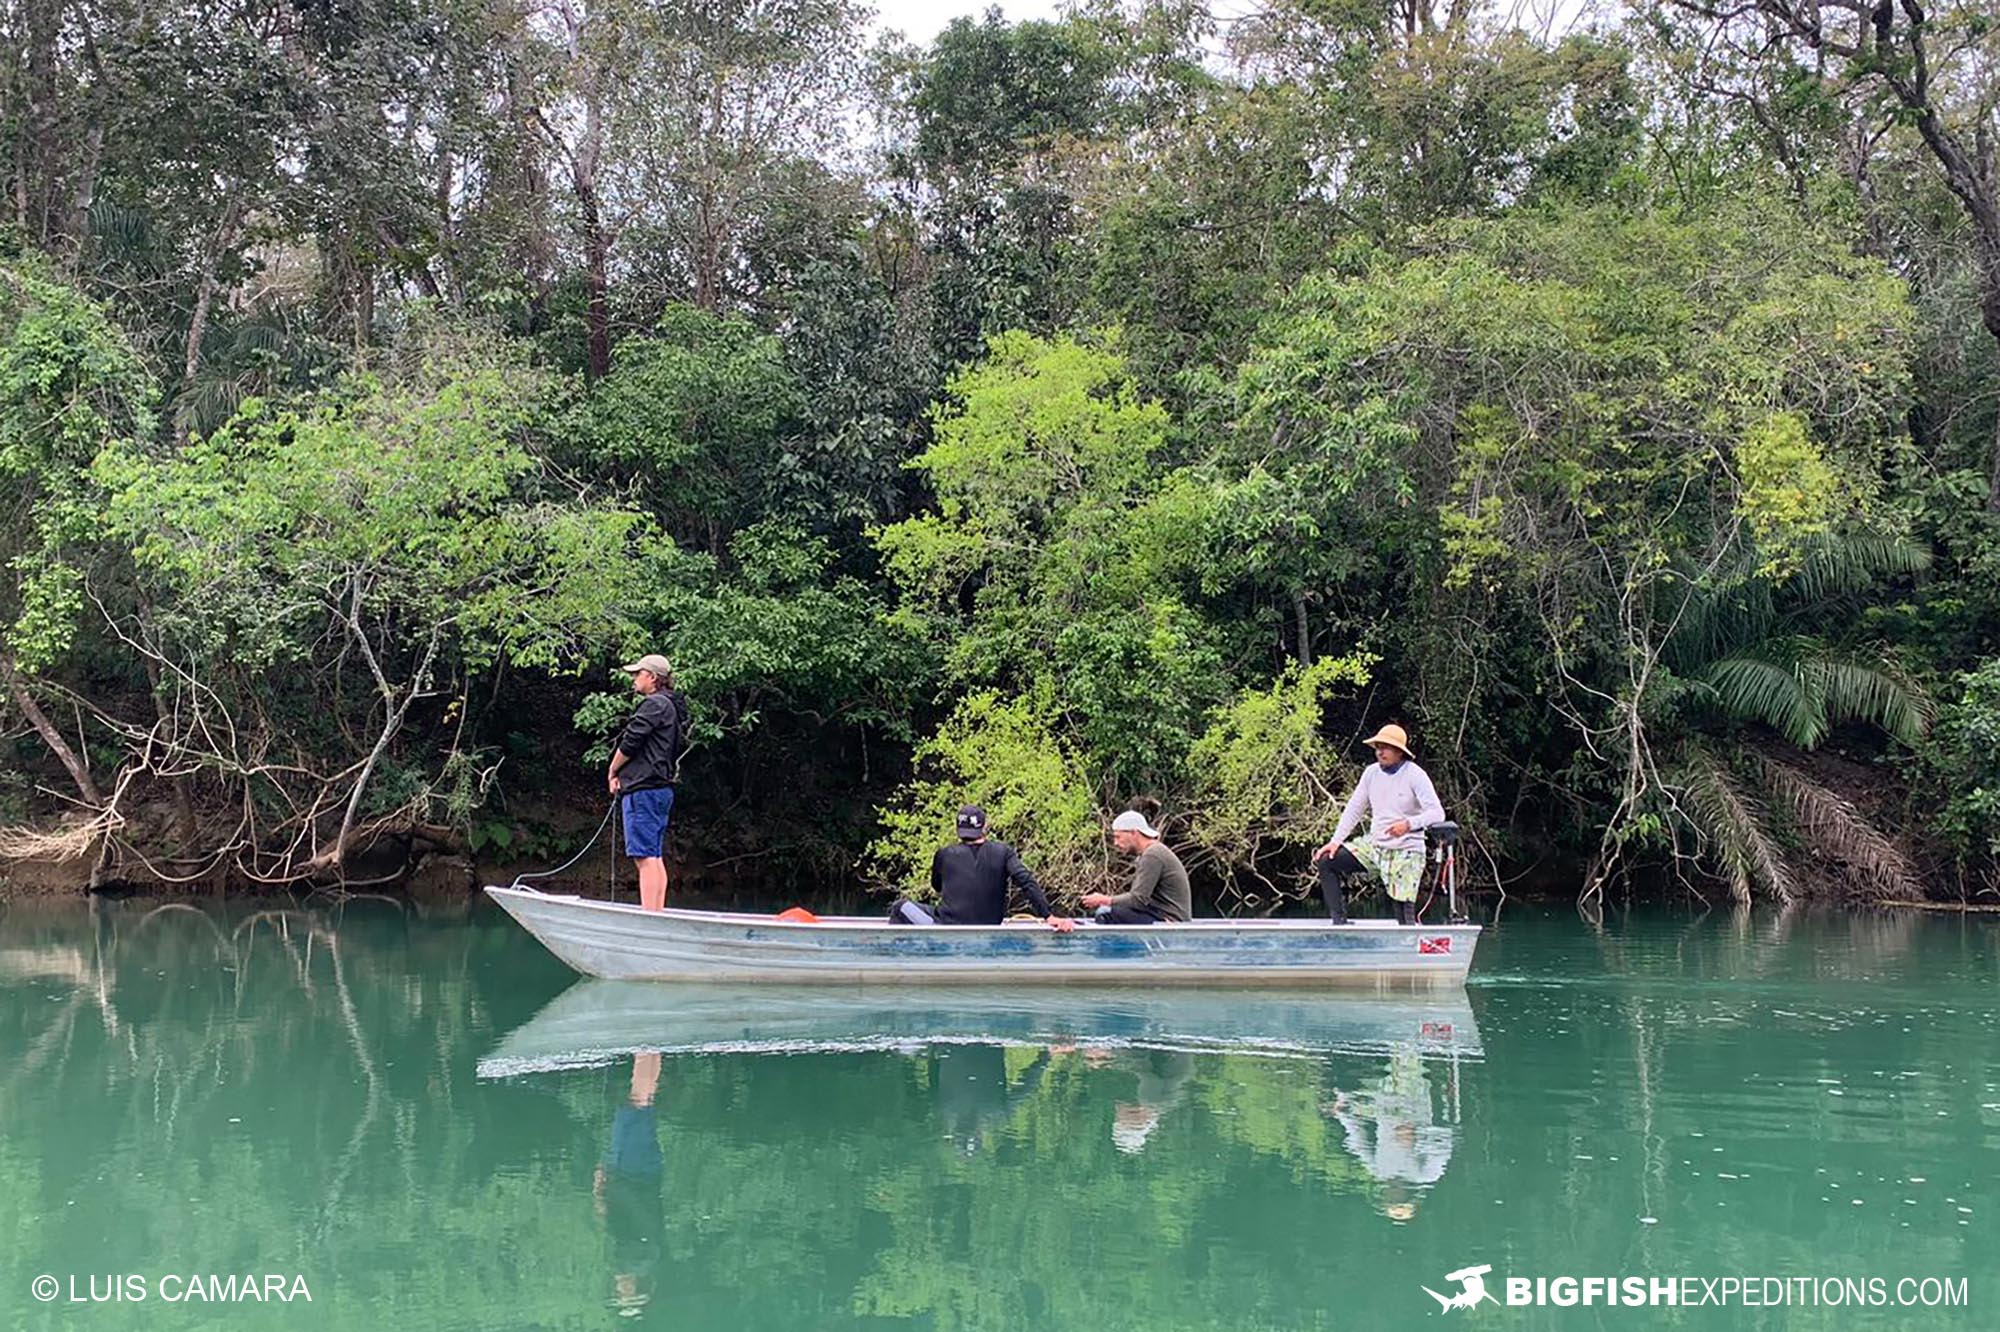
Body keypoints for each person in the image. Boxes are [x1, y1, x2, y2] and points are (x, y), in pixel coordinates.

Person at [1313, 724, 1444, 925]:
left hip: (1406, 850)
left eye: (1386, 747)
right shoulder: (1371, 773)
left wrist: (1408, 824)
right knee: (1326, 860)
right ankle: (1339, 924)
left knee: (1402, 912)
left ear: (1399, 752)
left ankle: (1408, 942)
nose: (1380, 752)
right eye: (1378, 747)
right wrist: (1335, 841)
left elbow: (1437, 813)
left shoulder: (1415, 775)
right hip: (1375, 846)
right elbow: (1355, 808)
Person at [890, 804, 1075, 930]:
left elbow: (937, 887)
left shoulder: (944, 854)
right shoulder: (1004, 852)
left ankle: (905, 957)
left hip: (948, 928)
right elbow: (1026, 880)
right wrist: (1048, 916)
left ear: (957, 829)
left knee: (900, 906)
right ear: (984, 827)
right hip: (989, 927)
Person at [607, 654, 688, 912]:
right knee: (654, 855)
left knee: (644, 857)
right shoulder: (672, 706)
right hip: (661, 790)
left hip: (644, 790)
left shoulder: (654, 705)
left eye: (638, 673)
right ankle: (657, 912)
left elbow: (631, 741)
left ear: (652, 677)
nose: (634, 678)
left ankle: (649, 916)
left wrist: (612, 769)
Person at [594, 1051, 665, 1316]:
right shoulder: (637, 1260)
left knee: (642, 1106)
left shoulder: (643, 1258)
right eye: (625, 1294)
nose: (620, 1290)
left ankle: (649, 1053)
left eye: (620, 1295)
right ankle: (645, 1052)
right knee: (638, 1105)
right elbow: (636, 1211)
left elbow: (621, 1219)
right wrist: (609, 1185)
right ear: (635, 1289)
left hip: (638, 1174)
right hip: (633, 1174)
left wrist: (604, 1194)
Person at [1082, 798, 1191, 924]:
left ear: (1133, 833)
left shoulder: (1152, 855)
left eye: (1118, 837)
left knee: (1106, 913)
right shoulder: (1152, 852)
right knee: (1110, 910)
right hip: (1161, 914)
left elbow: (1138, 900)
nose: (1115, 843)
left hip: (1170, 920)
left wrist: (1105, 900)